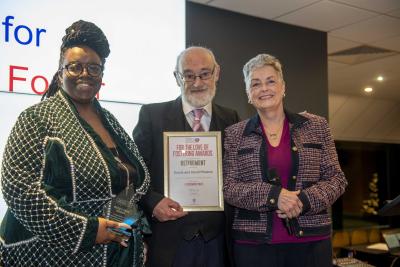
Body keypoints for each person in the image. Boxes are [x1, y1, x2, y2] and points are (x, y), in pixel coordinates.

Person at [0, 20, 150, 266]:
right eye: (75, 67)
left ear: (102, 75)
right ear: (60, 72)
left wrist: (130, 234)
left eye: (94, 68)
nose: (85, 74)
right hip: (49, 255)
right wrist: (88, 230)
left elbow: (130, 182)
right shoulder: (36, 118)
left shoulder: (109, 119)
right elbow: (19, 191)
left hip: (111, 253)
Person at [223, 54, 347, 267]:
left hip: (312, 243)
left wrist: (303, 201)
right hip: (254, 247)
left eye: (271, 81)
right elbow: (229, 187)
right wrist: (274, 196)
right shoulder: (234, 134)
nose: (264, 88)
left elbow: (337, 179)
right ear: (248, 94)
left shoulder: (316, 126)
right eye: (256, 83)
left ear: (283, 87)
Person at [133, 46, 240, 267]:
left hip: (218, 244)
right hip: (168, 241)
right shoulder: (152, 116)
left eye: (204, 74)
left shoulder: (232, 119)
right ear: (177, 77)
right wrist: (152, 203)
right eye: (189, 75)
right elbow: (135, 171)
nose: (198, 82)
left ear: (217, 73)